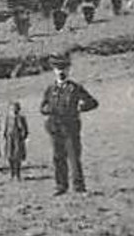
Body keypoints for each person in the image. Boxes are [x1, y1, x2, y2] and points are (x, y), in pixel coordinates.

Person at [40, 56, 98, 195]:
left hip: (70, 128)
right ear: (54, 70)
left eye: (64, 68)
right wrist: (47, 110)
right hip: (55, 128)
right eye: (58, 69)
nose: (61, 72)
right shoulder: (50, 89)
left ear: (68, 69)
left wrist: (81, 107)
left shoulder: (75, 88)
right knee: (58, 158)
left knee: (74, 158)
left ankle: (79, 187)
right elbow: (42, 107)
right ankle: (61, 186)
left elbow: (93, 103)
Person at [3, 102, 29, 180]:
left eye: (15, 108)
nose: (13, 110)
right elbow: (6, 128)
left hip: (18, 139)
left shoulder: (21, 118)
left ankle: (18, 174)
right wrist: (6, 135)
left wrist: (23, 136)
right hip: (9, 138)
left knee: (17, 157)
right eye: (11, 108)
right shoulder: (8, 117)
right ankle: (12, 174)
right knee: (10, 156)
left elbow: (24, 129)